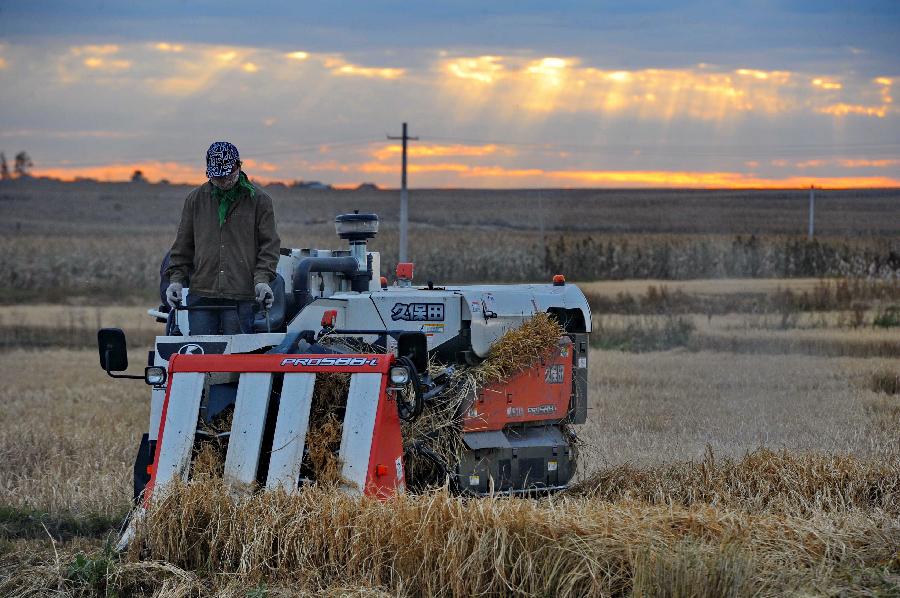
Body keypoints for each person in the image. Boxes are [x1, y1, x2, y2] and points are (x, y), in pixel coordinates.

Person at [165, 141, 280, 335]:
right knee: (202, 357)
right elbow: (183, 246)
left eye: (227, 174)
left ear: (238, 166)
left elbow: (269, 247)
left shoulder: (259, 201)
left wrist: (262, 281)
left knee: (236, 359)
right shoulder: (195, 199)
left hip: (241, 295)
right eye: (217, 176)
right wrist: (175, 280)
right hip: (202, 294)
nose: (223, 180)